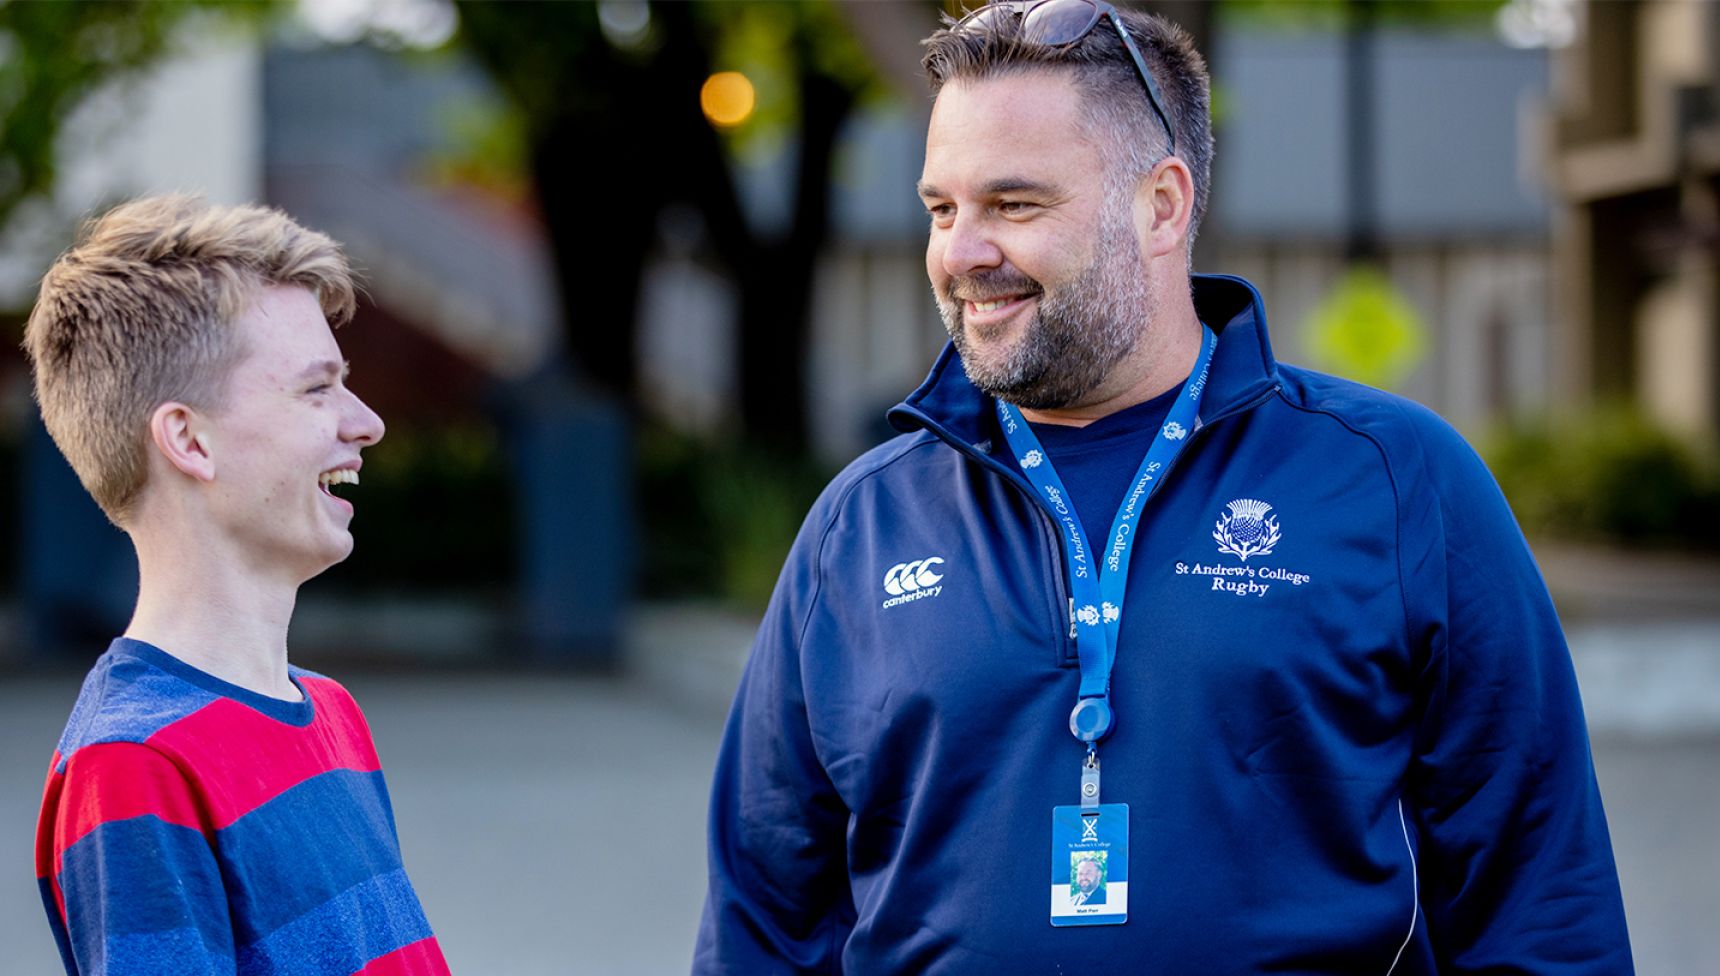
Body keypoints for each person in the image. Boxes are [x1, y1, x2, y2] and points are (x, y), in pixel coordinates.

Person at [694, 2, 1632, 973]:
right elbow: (764, 917)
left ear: (1162, 205)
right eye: (942, 208)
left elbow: (1541, 903)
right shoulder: (862, 524)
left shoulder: (1398, 483)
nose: (961, 253)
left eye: (1014, 205)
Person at [27, 195, 451, 976]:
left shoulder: (330, 714)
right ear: (189, 440)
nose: (367, 423)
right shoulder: (132, 764)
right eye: (316, 389)